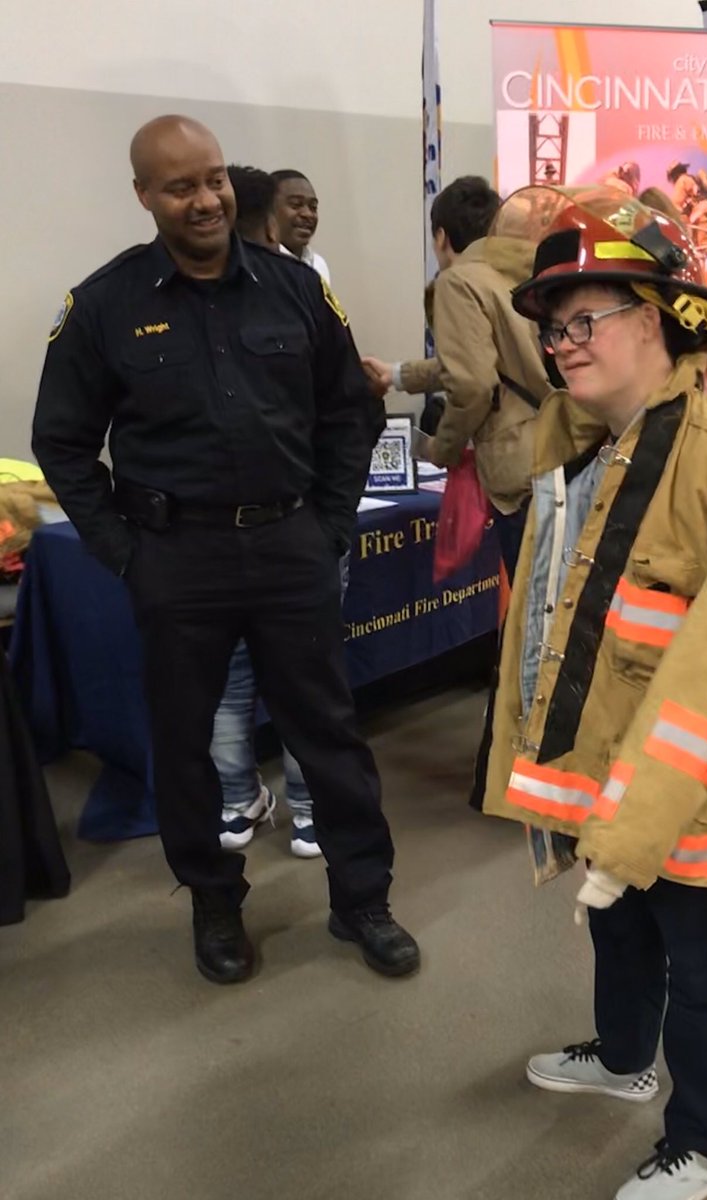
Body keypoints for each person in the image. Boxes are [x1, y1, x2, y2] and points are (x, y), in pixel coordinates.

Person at [480, 186, 707, 1199]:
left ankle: (705, 1138)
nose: (561, 344)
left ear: (652, 319)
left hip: (705, 785)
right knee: (620, 925)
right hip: (620, 773)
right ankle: (621, 1056)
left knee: (701, 953)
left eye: (584, 320)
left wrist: (642, 811)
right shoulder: (587, 451)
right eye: (552, 329)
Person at [32, 115, 418, 985]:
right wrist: (124, 551)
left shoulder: (296, 290)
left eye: (213, 180)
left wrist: (327, 524)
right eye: (180, 186)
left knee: (330, 734)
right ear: (144, 196)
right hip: (176, 560)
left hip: (291, 547)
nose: (205, 199)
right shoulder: (105, 306)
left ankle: (362, 901)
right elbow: (60, 441)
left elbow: (346, 415)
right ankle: (214, 903)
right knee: (188, 748)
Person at [210, 164, 337, 860]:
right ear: (263, 220)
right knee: (297, 677)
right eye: (296, 205)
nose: (307, 216)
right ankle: (298, 810)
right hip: (282, 529)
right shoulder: (296, 292)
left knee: (248, 679)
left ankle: (245, 804)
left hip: (277, 530)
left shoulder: (306, 284)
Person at [362, 175, 555, 581]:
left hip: (514, 466)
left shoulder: (458, 282)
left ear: (441, 236)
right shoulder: (519, 274)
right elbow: (488, 361)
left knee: (533, 608)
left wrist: (443, 450)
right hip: (555, 448)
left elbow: (473, 385)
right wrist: (398, 375)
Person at [271, 169, 330, 283]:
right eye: (296, 204)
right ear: (269, 211)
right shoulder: (261, 267)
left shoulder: (318, 264)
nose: (308, 214)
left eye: (313, 207)